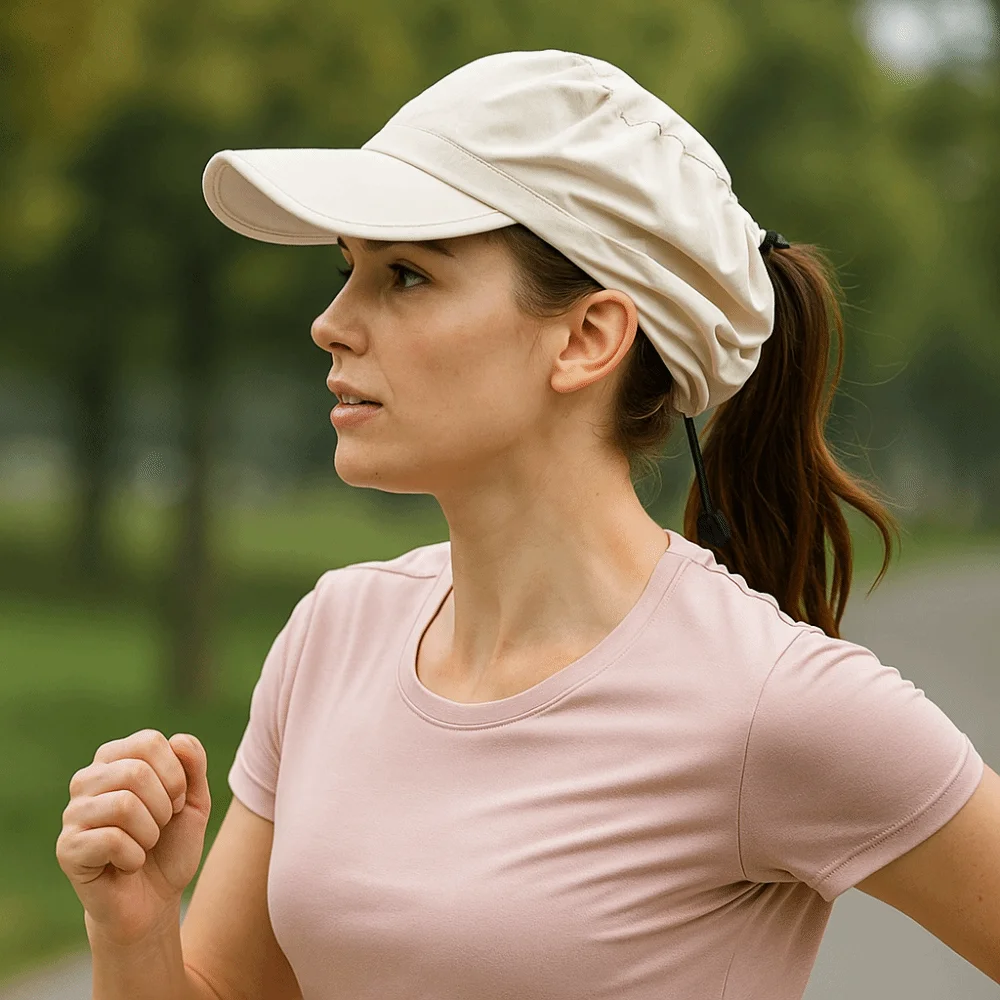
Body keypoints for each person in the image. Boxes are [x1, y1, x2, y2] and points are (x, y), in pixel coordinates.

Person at [195, 50, 986, 999]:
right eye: (347, 269)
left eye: (404, 276)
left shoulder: (769, 704)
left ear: (587, 338)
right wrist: (134, 926)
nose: (331, 320)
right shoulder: (334, 633)